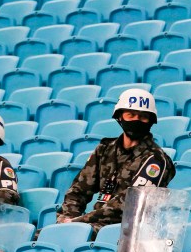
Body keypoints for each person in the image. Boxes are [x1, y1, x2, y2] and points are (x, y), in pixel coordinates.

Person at [57, 88, 176, 233]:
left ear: (151, 121)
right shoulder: (104, 149)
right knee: (45, 235)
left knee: (76, 233)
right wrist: (68, 217)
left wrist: (78, 222)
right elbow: (78, 190)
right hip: (94, 225)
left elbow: (128, 205)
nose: (136, 120)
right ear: (120, 117)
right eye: (130, 115)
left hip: (130, 230)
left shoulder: (157, 160)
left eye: (143, 117)